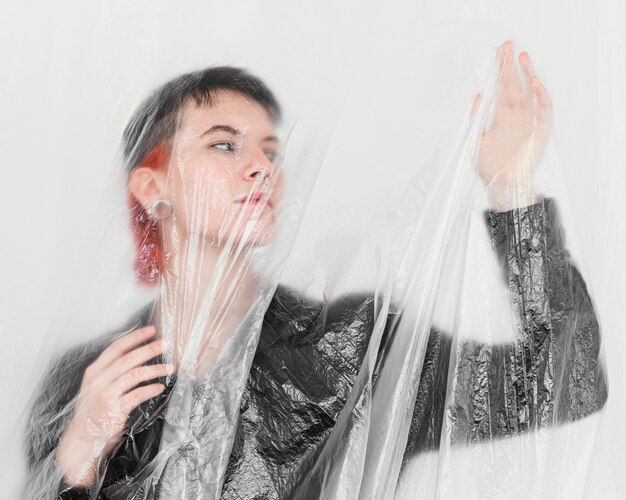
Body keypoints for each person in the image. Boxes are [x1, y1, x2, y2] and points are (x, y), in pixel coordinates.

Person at [24, 41, 607, 499]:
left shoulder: (354, 350)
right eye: (225, 146)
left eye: (271, 153)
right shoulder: (84, 383)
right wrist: (75, 463)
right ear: (153, 188)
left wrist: (511, 185)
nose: (260, 168)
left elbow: (565, 382)